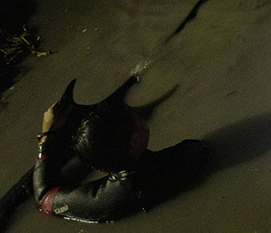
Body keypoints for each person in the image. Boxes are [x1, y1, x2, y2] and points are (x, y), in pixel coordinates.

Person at [33, 91, 209, 223]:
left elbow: (44, 199)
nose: (141, 119)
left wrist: (46, 132)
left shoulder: (100, 200)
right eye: (138, 119)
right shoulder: (188, 154)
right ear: (134, 142)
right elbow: (198, 149)